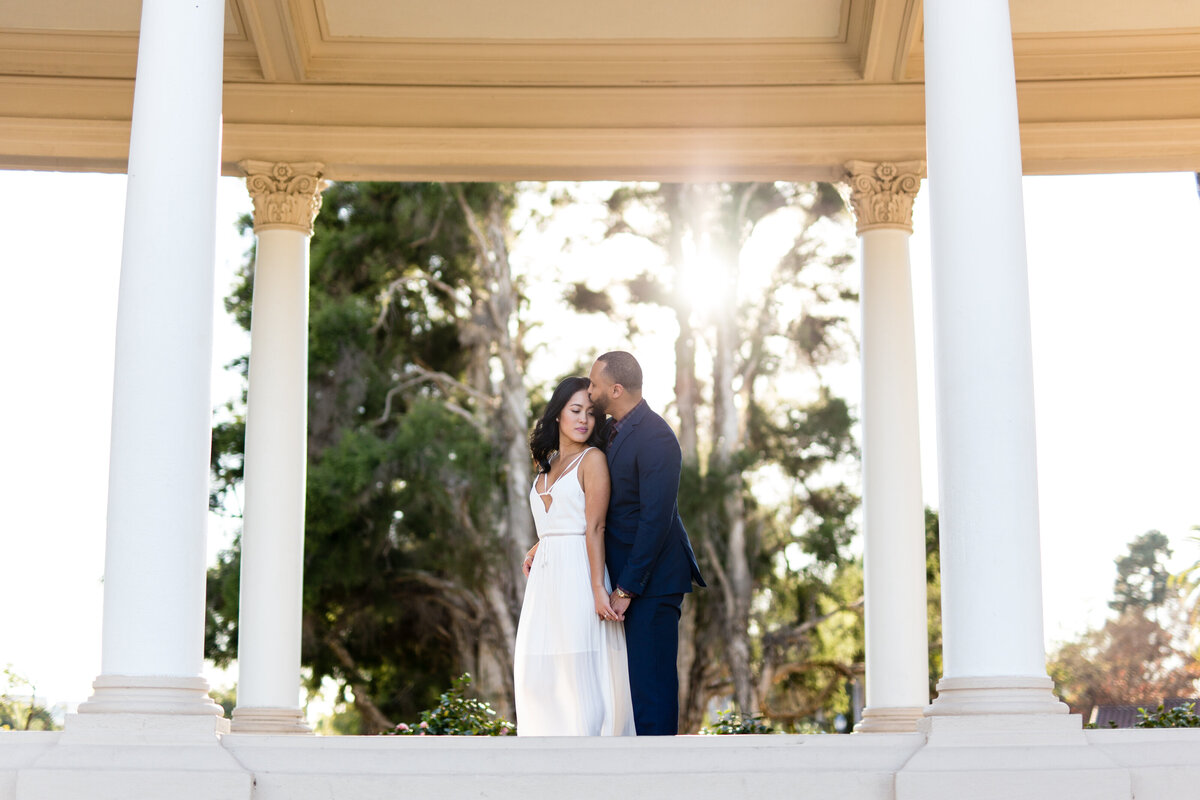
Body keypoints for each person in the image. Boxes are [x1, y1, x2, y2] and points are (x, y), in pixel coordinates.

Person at [587, 351, 706, 736]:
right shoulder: (610, 431)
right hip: (624, 580)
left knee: (652, 693)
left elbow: (655, 520)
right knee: (630, 691)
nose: (589, 393)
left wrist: (626, 588)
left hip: (651, 584)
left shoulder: (657, 438)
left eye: (594, 385)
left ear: (616, 389)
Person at [513, 376, 637, 736]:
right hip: (544, 585)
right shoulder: (546, 465)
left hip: (580, 576)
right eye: (575, 410)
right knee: (541, 673)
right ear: (558, 415)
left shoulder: (593, 460)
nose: (584, 419)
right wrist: (541, 544)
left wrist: (598, 588)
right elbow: (558, 519)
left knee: (583, 672)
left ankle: (592, 769)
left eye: (591, 413)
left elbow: (594, 526)